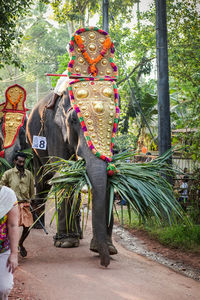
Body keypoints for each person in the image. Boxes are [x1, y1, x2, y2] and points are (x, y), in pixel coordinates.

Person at [0, 152, 34, 257]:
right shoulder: (8, 174)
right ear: (15, 161)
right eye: (19, 161)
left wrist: (31, 201)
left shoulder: (29, 174)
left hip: (25, 204)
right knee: (10, 227)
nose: (21, 163)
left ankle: (21, 243)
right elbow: (1, 186)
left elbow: (31, 190)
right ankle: (11, 249)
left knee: (28, 226)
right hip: (12, 205)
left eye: (23, 162)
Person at [0, 185, 19, 300]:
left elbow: (13, 225)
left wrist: (14, 254)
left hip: (2, 249)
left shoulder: (7, 195)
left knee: (4, 288)